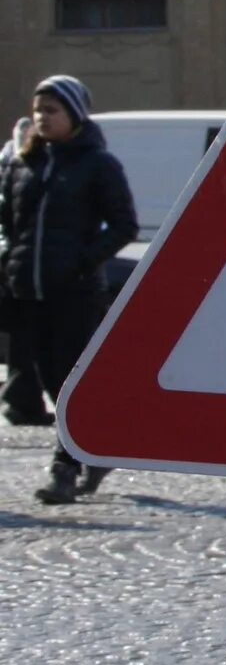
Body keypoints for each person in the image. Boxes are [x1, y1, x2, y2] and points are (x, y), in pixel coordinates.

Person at [0, 77, 137, 504]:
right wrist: (10, 260)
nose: (42, 118)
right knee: (47, 381)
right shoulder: (23, 164)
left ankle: (65, 467)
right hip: (28, 293)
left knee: (68, 382)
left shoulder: (98, 164)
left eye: (52, 110)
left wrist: (81, 261)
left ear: (75, 115)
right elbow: (8, 222)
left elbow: (124, 225)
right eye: (38, 110)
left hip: (75, 294)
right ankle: (92, 450)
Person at [0, 115, 51, 426]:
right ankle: (22, 399)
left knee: (28, 341)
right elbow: (8, 218)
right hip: (22, 268)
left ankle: (23, 399)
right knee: (27, 341)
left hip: (28, 267)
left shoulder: (29, 165)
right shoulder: (19, 167)